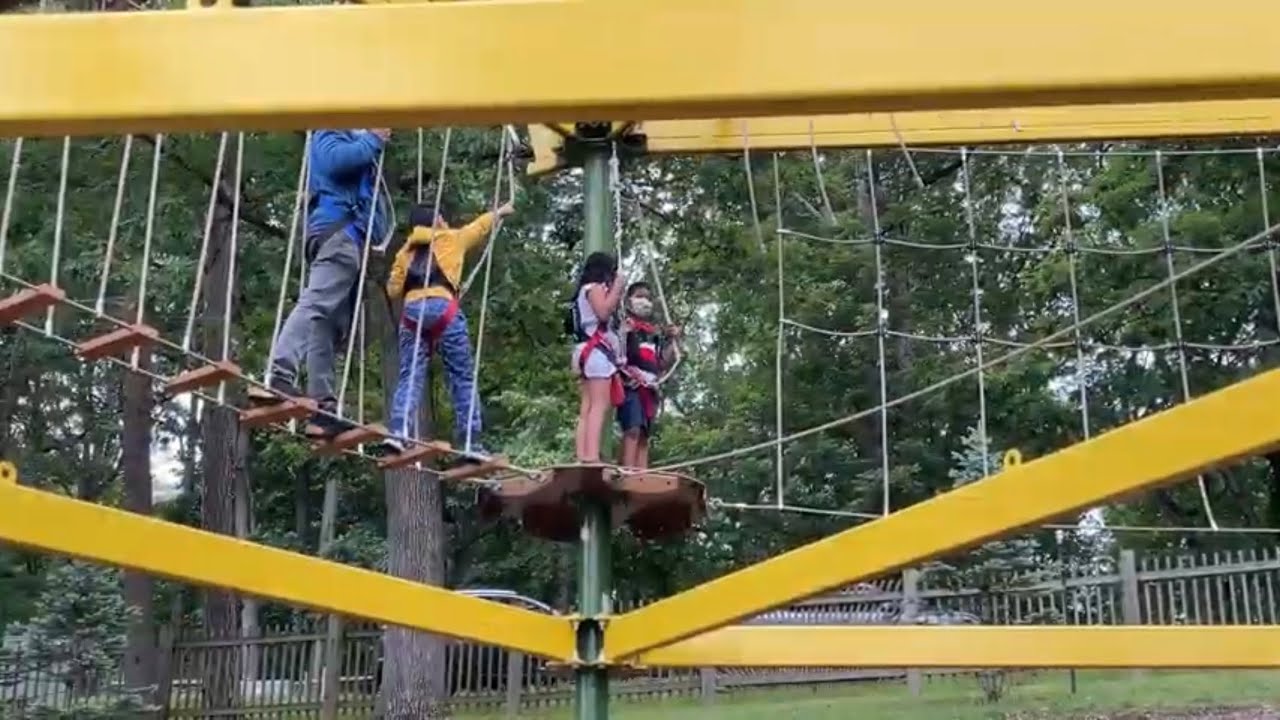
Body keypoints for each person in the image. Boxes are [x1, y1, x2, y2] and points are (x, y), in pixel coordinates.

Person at [248, 129, 391, 439]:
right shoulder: (329, 132)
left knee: (325, 323)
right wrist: (373, 140)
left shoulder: (349, 142)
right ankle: (279, 372)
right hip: (339, 235)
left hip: (347, 240)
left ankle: (322, 407)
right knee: (316, 305)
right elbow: (337, 161)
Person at [380, 199, 516, 461]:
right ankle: (470, 441)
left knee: (410, 374)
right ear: (439, 220)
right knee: (461, 375)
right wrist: (501, 211)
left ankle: (398, 431)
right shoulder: (451, 239)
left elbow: (393, 290)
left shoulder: (403, 253)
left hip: (411, 313)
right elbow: (479, 227)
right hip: (444, 309)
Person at [567, 252, 626, 463]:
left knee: (588, 406)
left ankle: (583, 454)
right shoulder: (594, 289)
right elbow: (603, 312)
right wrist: (618, 287)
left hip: (585, 351)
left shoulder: (582, 291)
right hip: (596, 353)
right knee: (599, 405)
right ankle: (591, 456)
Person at [616, 282, 679, 469]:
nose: (644, 301)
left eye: (648, 298)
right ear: (629, 300)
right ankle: (628, 471)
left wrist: (672, 339)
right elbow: (620, 354)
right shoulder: (624, 325)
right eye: (639, 296)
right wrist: (625, 333)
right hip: (631, 383)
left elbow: (661, 363)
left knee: (644, 434)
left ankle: (641, 474)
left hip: (650, 386)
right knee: (633, 428)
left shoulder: (653, 334)